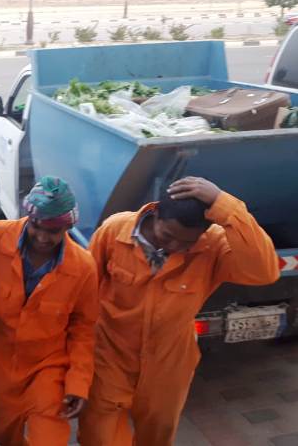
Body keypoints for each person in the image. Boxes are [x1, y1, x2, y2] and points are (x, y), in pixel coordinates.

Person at [79, 176, 280, 446]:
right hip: (110, 357)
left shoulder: (212, 245)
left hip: (169, 364)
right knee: (99, 437)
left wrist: (227, 206)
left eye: (186, 243)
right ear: (155, 213)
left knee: (157, 436)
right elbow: (85, 291)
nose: (174, 247)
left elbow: (265, 272)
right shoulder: (115, 230)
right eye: (168, 236)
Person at [0, 176, 98, 445]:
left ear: (68, 227)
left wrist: (78, 383)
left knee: (48, 437)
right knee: (3, 431)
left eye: (54, 231)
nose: (42, 237)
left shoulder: (83, 268)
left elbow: (84, 331)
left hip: (48, 366)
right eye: (37, 226)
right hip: (0, 363)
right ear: (28, 216)